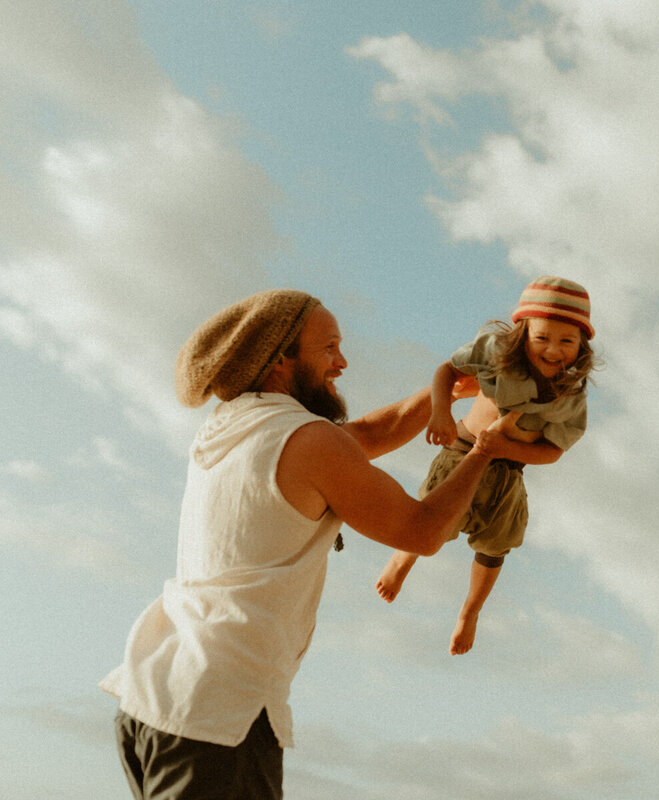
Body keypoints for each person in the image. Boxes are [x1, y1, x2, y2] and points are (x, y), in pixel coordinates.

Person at [101, 289, 497, 800]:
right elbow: (422, 532)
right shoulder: (310, 442)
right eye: (329, 347)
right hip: (221, 718)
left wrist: (447, 393)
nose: (342, 361)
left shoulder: (233, 424)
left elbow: (365, 437)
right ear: (280, 359)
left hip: (152, 700)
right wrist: (485, 448)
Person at [375, 275, 596, 655]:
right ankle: (401, 560)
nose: (554, 350)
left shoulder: (569, 397)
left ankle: (470, 611)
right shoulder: (496, 355)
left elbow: (553, 450)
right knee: (431, 520)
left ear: (582, 346)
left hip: (508, 473)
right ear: (522, 333)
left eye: (567, 341)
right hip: (461, 452)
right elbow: (447, 370)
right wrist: (441, 413)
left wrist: (506, 447)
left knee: (496, 545)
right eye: (542, 337)